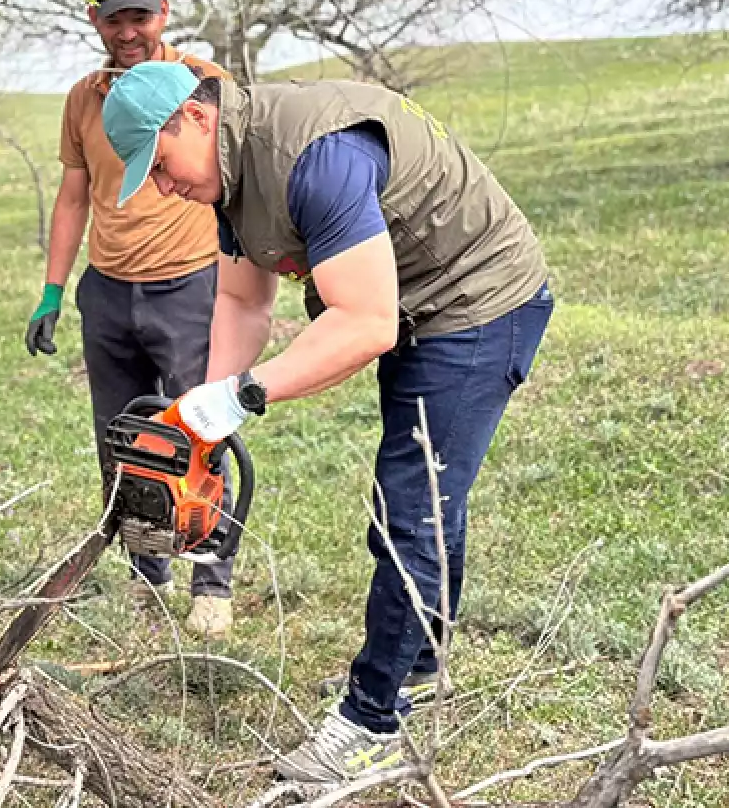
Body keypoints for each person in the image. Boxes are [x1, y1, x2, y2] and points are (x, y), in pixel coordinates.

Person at [100, 61, 555, 782]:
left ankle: (372, 724)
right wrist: (200, 412)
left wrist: (243, 395)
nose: (162, 187)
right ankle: (417, 668)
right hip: (414, 304)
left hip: (477, 301)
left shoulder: (316, 158)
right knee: (425, 499)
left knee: (411, 510)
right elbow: (243, 303)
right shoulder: (232, 173)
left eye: (158, 165)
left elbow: (366, 322)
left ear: (195, 117)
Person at [23, 0, 240, 639]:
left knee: (200, 430)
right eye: (113, 19)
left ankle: (212, 581)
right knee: (122, 441)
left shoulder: (203, 85)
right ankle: (149, 575)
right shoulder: (83, 99)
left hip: (189, 284)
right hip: (109, 291)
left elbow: (237, 182)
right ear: (95, 20)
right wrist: (52, 292)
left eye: (139, 17)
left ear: (163, 14)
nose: (127, 32)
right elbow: (73, 197)